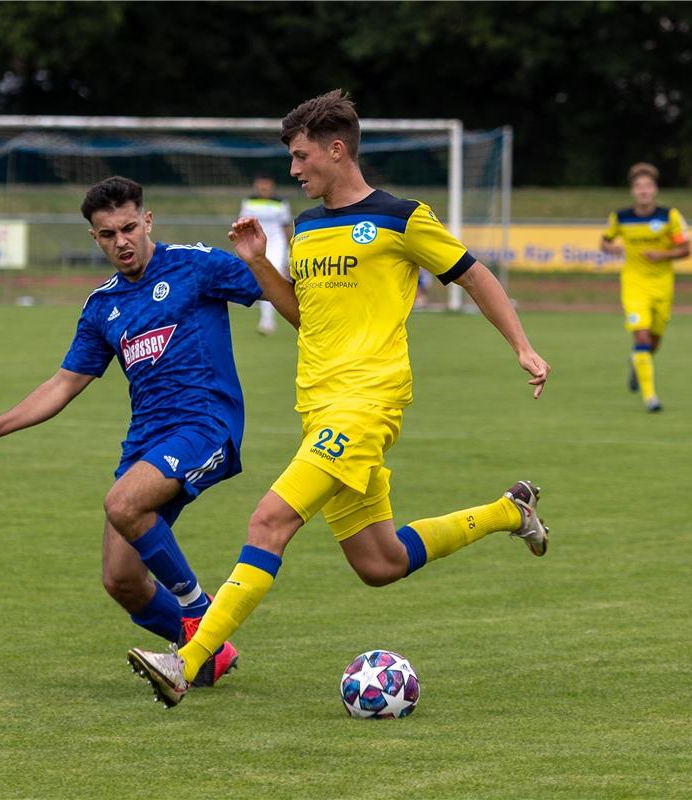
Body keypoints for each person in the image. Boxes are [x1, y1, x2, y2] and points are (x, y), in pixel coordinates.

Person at [127, 90, 552, 708]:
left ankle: (186, 661)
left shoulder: (402, 218)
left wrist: (523, 345)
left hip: (366, 405)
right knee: (379, 562)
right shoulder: (306, 228)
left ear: (336, 149)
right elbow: (308, 318)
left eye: (301, 157)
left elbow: (475, 274)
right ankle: (511, 512)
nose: (294, 169)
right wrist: (260, 265)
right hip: (319, 410)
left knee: (268, 521)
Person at [0, 176, 265, 686]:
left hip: (205, 424)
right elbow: (63, 384)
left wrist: (270, 262)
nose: (121, 241)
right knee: (122, 580)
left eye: (128, 227)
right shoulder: (103, 306)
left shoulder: (195, 265)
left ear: (147, 221)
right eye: (107, 234)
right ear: (94, 239)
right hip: (147, 441)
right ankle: (212, 658)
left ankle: (198, 615)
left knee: (122, 504)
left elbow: (273, 287)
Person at [599, 163, 691, 412]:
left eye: (648, 186)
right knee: (640, 335)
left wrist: (661, 255)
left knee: (653, 342)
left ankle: (636, 361)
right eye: (639, 186)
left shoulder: (669, 216)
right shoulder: (620, 217)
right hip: (634, 284)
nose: (643, 191)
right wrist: (612, 249)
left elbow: (686, 250)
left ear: (655, 189)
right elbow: (605, 242)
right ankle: (651, 398)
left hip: (662, 286)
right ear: (632, 191)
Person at [238, 173, 293, 334]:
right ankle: (267, 318)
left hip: (277, 244)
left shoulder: (280, 203)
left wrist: (290, 248)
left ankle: (267, 320)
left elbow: (286, 226)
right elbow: (241, 222)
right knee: (260, 279)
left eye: (266, 185)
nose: (263, 188)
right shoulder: (249, 202)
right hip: (257, 244)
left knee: (271, 277)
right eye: (260, 185)